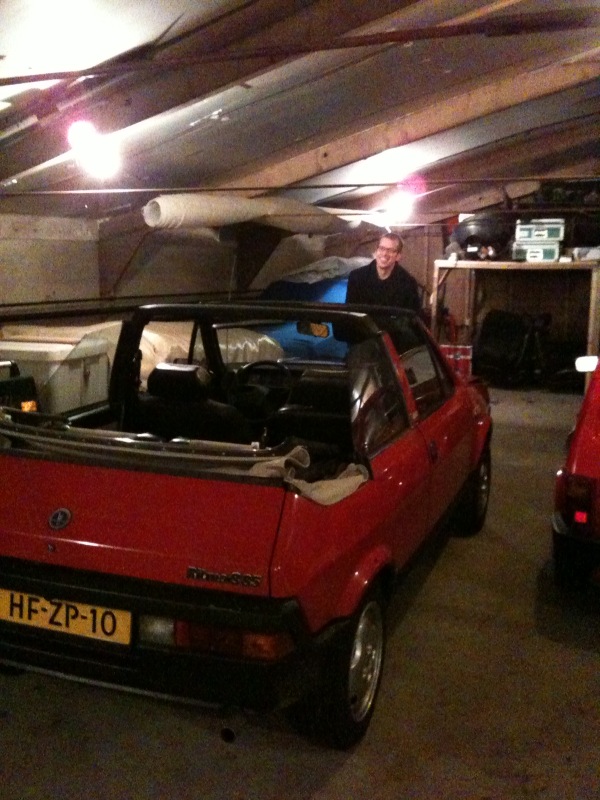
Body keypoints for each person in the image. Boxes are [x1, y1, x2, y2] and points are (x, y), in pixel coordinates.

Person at [345, 233, 421, 312]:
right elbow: (349, 314)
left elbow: (413, 317)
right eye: (381, 248)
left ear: (398, 256)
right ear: (376, 251)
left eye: (390, 250)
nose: (384, 254)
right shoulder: (356, 278)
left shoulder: (408, 283)